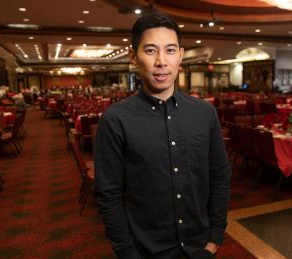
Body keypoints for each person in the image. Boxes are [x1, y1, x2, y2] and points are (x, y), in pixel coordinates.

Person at [94, 12, 231, 259]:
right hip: (145, 251)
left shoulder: (205, 112)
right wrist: (127, 252)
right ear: (133, 57)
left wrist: (215, 237)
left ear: (180, 55)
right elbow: (109, 195)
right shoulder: (115, 119)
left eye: (170, 50)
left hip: (200, 248)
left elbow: (219, 176)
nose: (161, 61)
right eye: (150, 51)